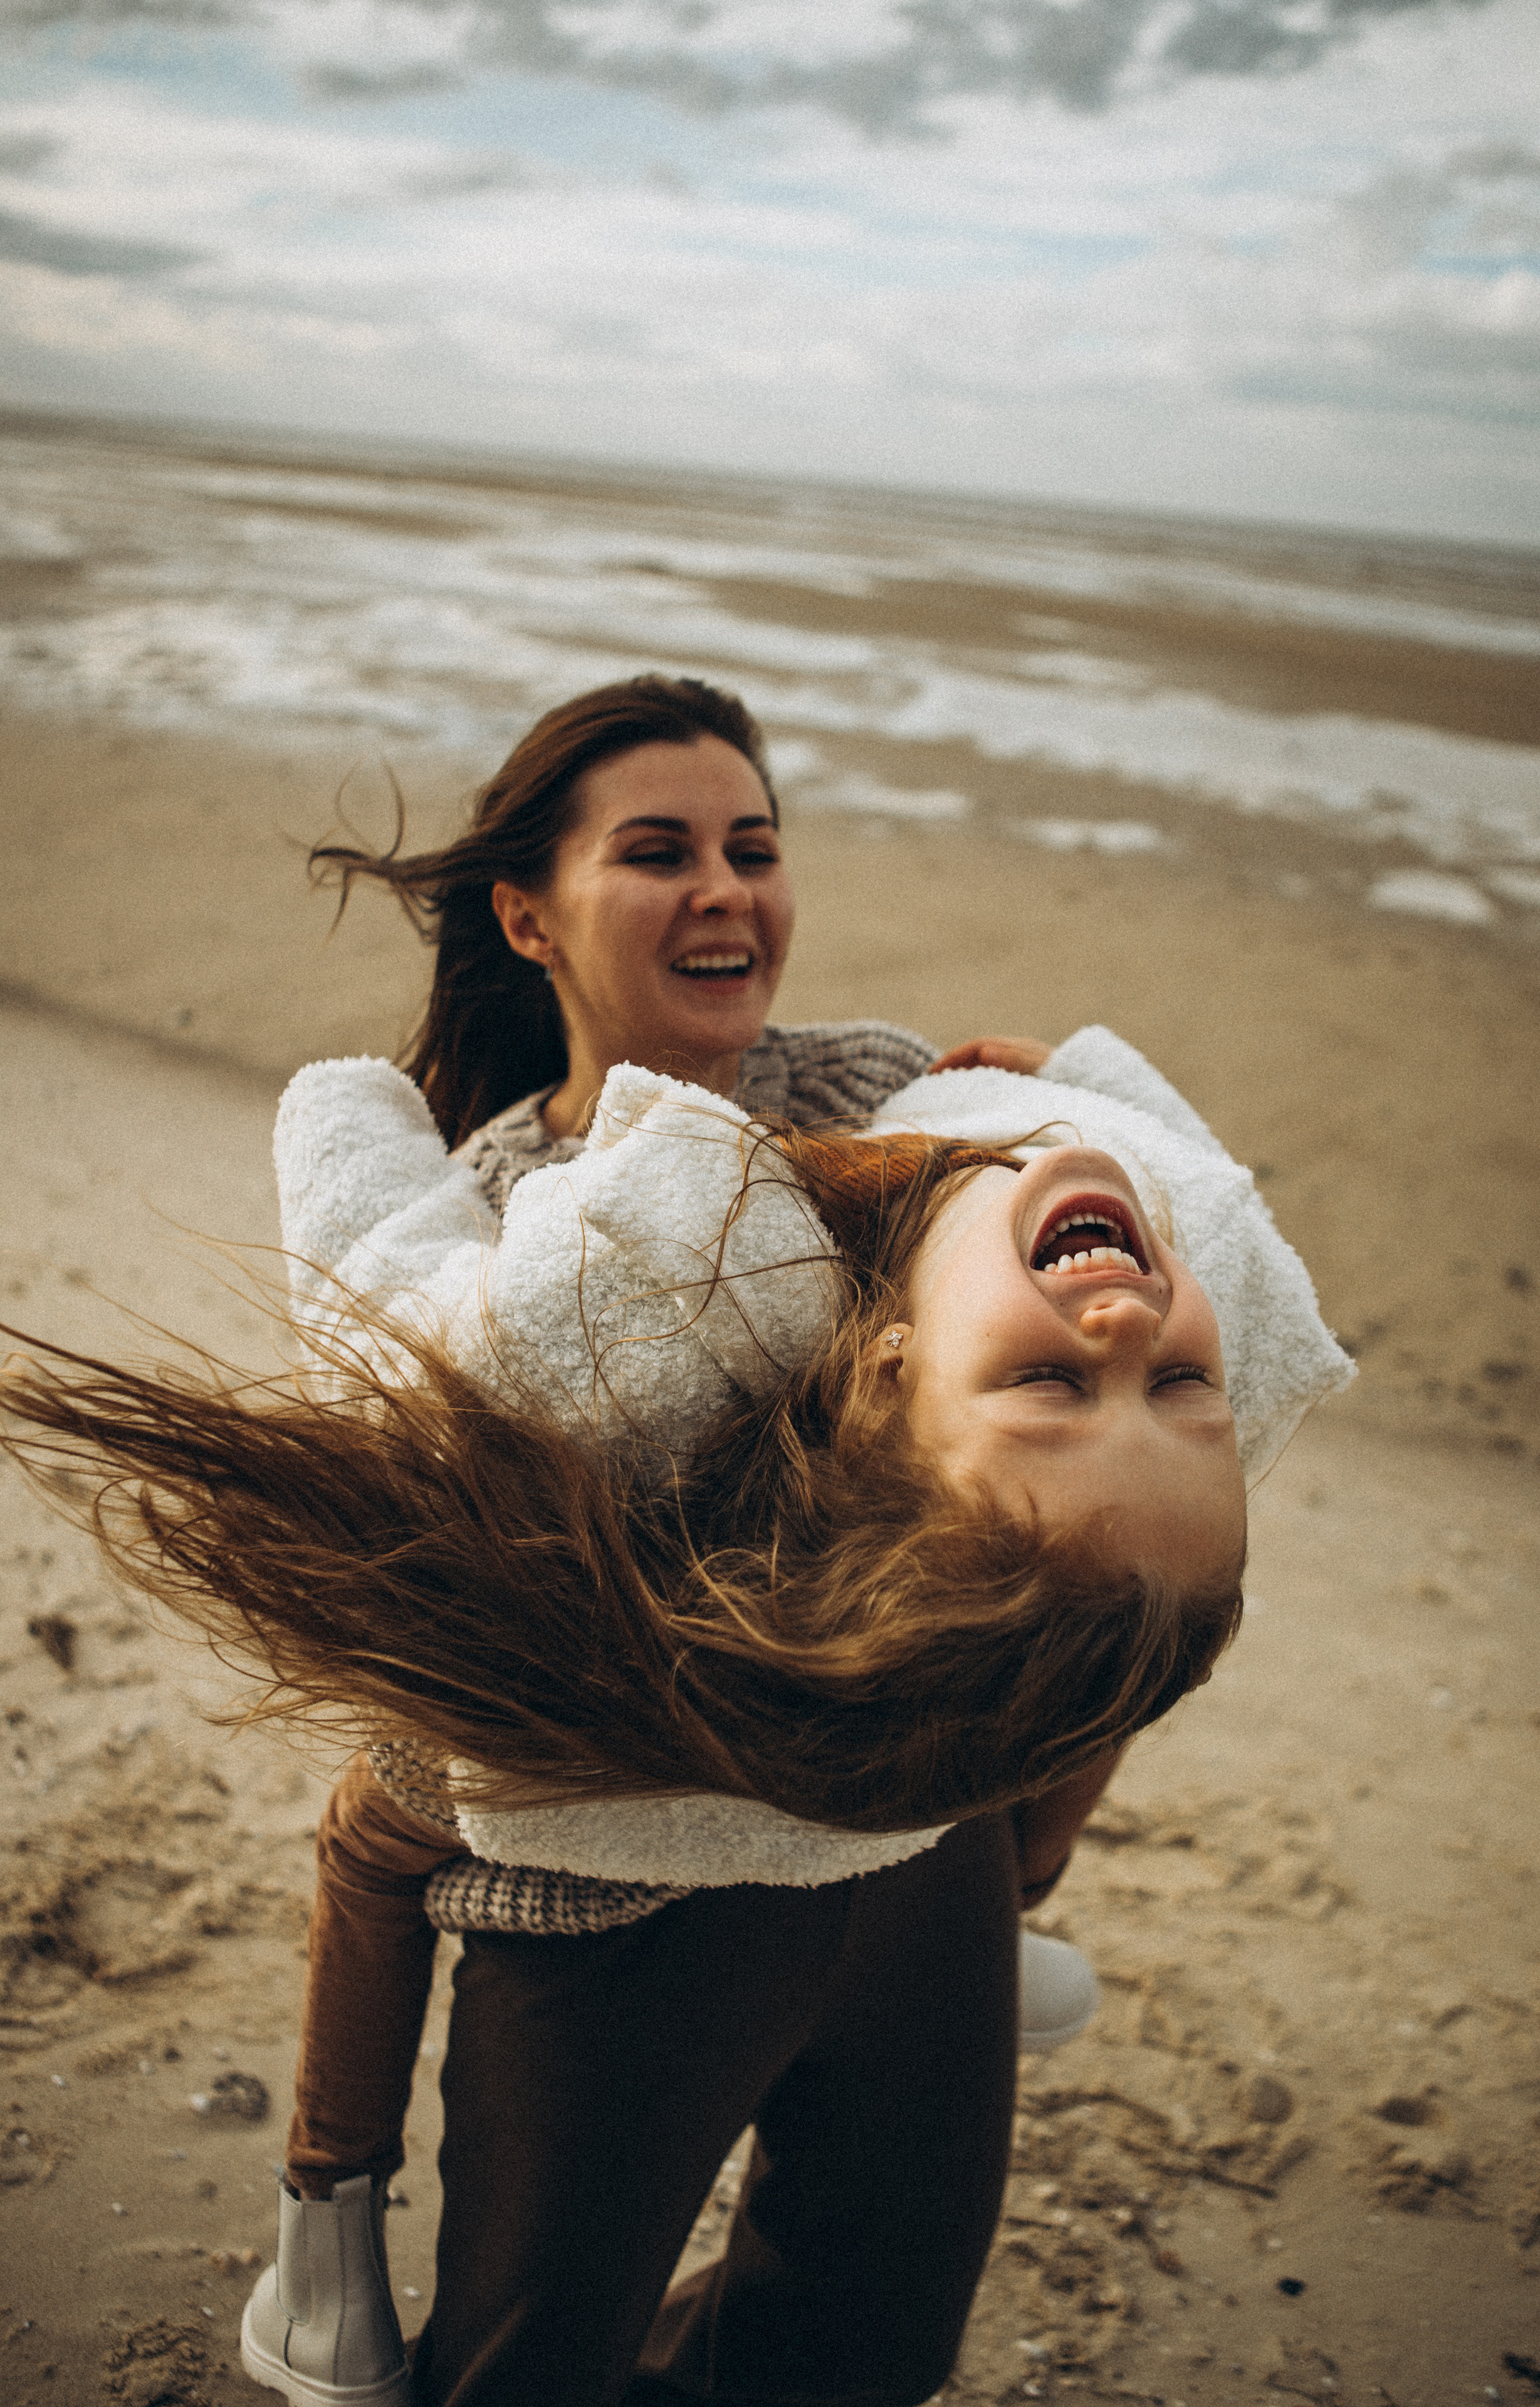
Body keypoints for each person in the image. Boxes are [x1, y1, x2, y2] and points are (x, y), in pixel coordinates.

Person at [0, 676, 1349, 2407]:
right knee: (526, 2360)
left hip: (914, 1859)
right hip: (613, 1908)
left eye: (754, 847)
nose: (728, 888)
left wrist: (1041, 1101)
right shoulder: (497, 1208)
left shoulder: (879, 1084)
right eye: (660, 853)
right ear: (528, 916)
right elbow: (433, 1540)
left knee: (868, 2337)